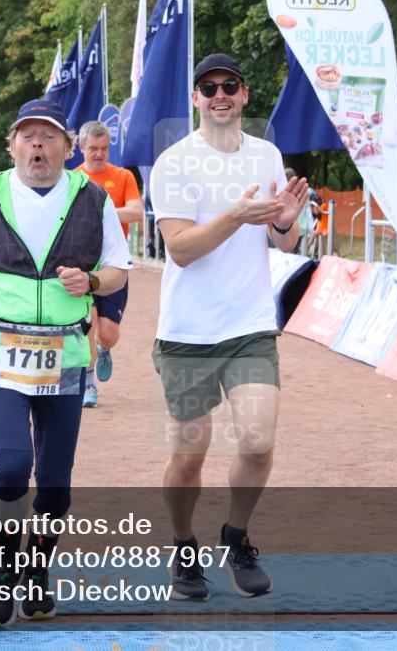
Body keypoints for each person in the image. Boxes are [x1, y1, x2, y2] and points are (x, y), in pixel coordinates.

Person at [0, 99, 131, 625]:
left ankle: (38, 568)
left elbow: (118, 269)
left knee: (56, 482)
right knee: (13, 463)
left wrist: (90, 282)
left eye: (47, 137)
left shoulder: (92, 199)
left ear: (67, 147)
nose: (37, 145)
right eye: (28, 136)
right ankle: (3, 567)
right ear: (12, 144)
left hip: (65, 352)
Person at [149, 54, 308, 601]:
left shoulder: (266, 154)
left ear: (244, 95)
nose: (219, 94)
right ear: (195, 98)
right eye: (208, 87)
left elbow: (283, 242)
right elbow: (181, 249)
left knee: (260, 442)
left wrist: (286, 222)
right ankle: (184, 542)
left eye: (230, 86)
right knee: (189, 453)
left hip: (249, 323)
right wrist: (237, 217)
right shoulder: (174, 161)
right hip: (187, 331)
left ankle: (236, 535)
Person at [75, 120, 144, 408]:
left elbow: (136, 212)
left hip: (115, 264)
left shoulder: (123, 176)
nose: (99, 154)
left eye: (104, 149)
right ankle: (89, 384)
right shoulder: (72, 178)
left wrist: (102, 210)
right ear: (81, 148)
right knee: (87, 325)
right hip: (83, 264)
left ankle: (104, 349)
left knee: (108, 333)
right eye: (93, 149)